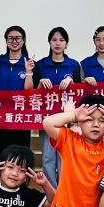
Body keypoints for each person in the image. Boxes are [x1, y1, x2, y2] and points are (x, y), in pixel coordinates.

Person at [33, 27, 84, 187]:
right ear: (49, 42)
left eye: (61, 40)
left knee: (64, 156)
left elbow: (80, 92)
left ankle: (64, 190)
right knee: (48, 157)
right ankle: (51, 192)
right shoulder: (40, 65)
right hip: (46, 119)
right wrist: (40, 83)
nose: (57, 43)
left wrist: (72, 82)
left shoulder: (74, 65)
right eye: (54, 40)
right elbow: (32, 93)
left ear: (66, 44)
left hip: (67, 120)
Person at [0, 25, 33, 161]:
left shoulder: (29, 62)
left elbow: (29, 91)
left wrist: (28, 71)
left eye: (18, 38)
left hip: (19, 116)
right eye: (10, 38)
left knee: (18, 157)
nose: (14, 41)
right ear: (6, 41)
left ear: (23, 41)